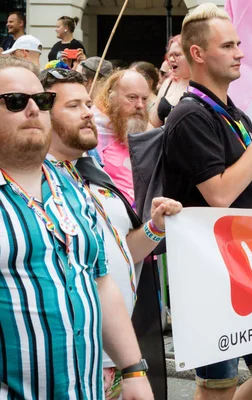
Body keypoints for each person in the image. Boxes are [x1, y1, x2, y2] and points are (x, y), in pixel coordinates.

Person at [162, 4, 252, 399]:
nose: (240, 53)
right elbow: (221, 193)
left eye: (239, 44)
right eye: (228, 45)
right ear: (198, 54)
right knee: (217, 389)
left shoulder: (235, 114)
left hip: (247, 262)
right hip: (208, 270)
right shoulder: (190, 115)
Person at [0, 56, 154, 400]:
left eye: (39, 101)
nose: (32, 110)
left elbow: (100, 281)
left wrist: (133, 369)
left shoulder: (70, 185)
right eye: (14, 101)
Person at [41, 67, 182, 399]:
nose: (89, 113)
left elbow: (121, 253)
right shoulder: (33, 184)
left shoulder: (90, 173)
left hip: (112, 356)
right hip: (71, 360)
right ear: (39, 115)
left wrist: (155, 227)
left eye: (88, 103)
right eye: (74, 106)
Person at [93, 69, 152, 204]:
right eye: (132, 97)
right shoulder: (92, 132)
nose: (140, 105)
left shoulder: (147, 134)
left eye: (144, 99)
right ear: (111, 97)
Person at [149, 35, 191, 127]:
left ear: (191, 55)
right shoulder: (168, 83)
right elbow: (153, 123)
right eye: (170, 55)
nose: (171, 59)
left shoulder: (204, 84)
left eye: (177, 55)